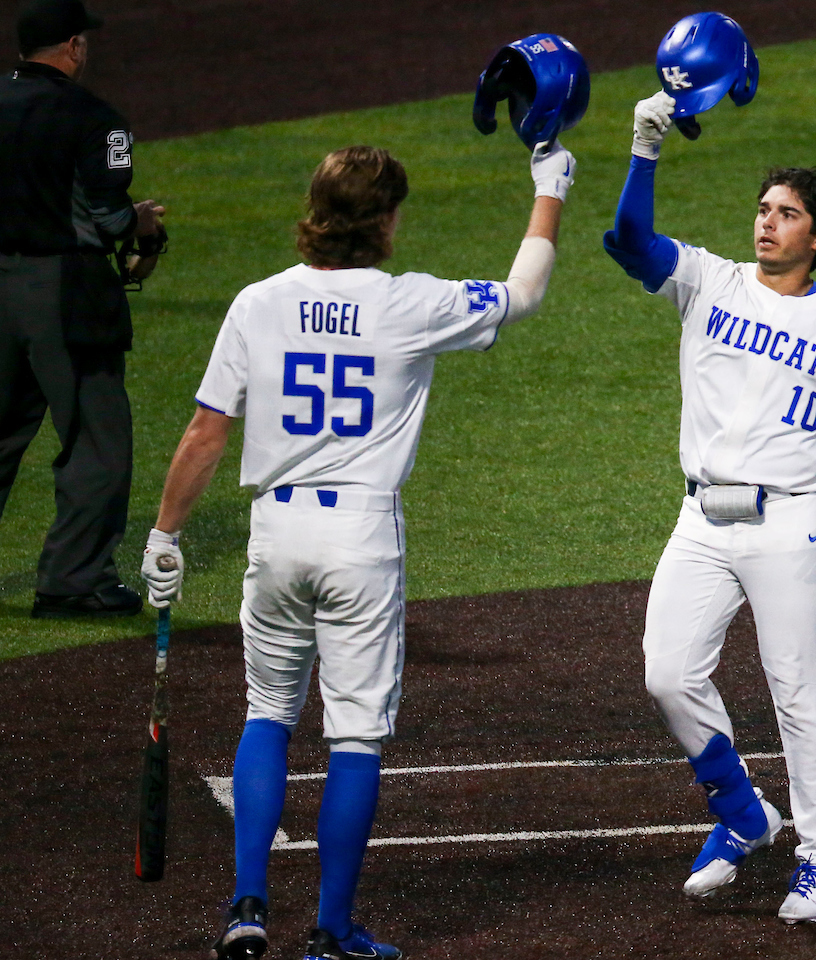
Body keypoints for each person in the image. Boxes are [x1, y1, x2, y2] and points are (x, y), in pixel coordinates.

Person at [141, 141, 575, 960]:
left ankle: (246, 907)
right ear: (383, 220)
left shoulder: (257, 301)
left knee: (268, 713)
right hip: (360, 539)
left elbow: (205, 431)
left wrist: (165, 534)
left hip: (276, 533)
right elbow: (522, 294)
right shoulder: (408, 302)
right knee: (354, 738)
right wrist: (549, 190)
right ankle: (332, 932)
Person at [604, 92, 816, 923]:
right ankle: (744, 813)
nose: (767, 223)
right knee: (668, 673)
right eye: (763, 208)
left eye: (787, 214)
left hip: (791, 525)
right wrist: (644, 149)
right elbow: (628, 243)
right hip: (701, 519)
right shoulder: (709, 280)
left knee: (800, 693)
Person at [0, 0, 166, 618]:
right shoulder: (96, 118)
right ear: (73, 46)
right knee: (96, 439)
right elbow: (107, 213)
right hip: (63, 293)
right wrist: (142, 224)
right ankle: (74, 580)